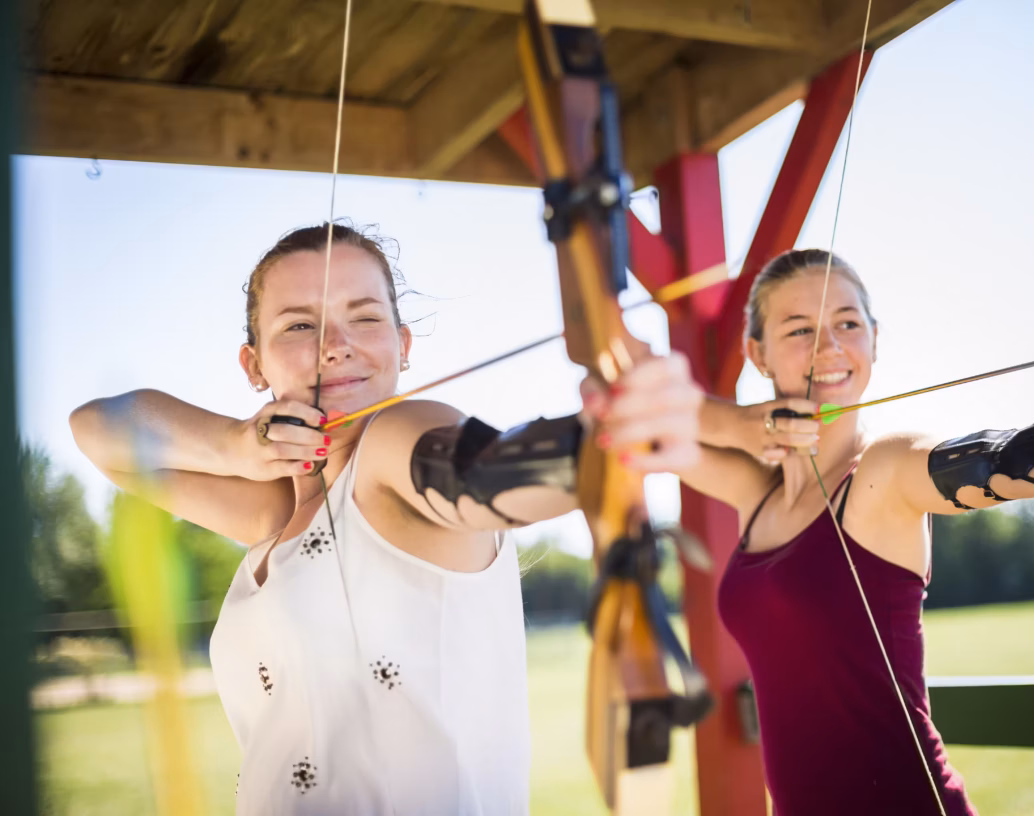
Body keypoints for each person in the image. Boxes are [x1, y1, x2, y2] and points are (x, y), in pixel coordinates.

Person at [69, 223, 704, 815]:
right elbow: (99, 431)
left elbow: (474, 474)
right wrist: (235, 445)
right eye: (297, 326)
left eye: (365, 317)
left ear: (400, 344)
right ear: (253, 364)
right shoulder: (277, 513)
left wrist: (600, 440)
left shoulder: (402, 438)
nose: (337, 347)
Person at [639, 248, 1034, 815]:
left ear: (873, 338)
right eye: (798, 329)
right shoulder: (755, 491)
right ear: (756, 352)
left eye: (848, 322)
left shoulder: (882, 472)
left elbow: (1003, 461)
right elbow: (635, 424)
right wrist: (736, 423)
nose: (830, 346)